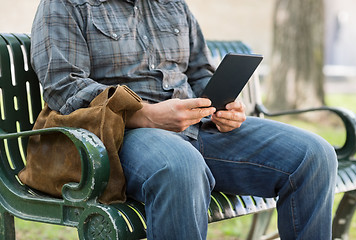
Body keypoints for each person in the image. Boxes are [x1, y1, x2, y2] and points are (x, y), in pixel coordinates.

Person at [30, 0, 338, 239]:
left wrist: (222, 105)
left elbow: (199, 70)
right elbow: (64, 86)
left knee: (313, 155)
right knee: (179, 166)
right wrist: (144, 114)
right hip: (120, 135)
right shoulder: (66, 5)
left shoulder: (173, 4)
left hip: (196, 128)